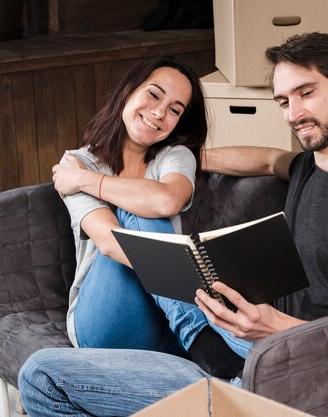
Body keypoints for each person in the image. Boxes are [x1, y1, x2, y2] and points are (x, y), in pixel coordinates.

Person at [19, 32, 328, 416]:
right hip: (248, 348)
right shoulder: (307, 170)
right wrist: (180, 154)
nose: (294, 113)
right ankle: (220, 374)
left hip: (303, 368)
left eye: (306, 93)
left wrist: (278, 328)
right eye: (283, 101)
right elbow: (262, 157)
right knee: (40, 375)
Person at [50, 55, 244, 376]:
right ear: (128, 90)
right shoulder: (77, 162)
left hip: (165, 325)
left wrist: (88, 182)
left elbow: (168, 199)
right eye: (154, 94)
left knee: (148, 200)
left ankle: (197, 336)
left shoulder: (175, 156)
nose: (159, 113)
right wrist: (190, 276)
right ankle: (201, 334)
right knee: (135, 207)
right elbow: (110, 244)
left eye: (175, 109)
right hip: (104, 324)